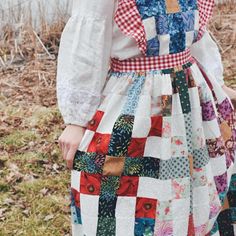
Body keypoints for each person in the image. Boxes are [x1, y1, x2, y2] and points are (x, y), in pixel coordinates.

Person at [56, 0, 236, 235]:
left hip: (190, 94)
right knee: (127, 189)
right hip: (135, 99)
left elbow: (196, 36)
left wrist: (218, 84)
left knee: (195, 183)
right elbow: (88, 40)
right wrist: (76, 119)